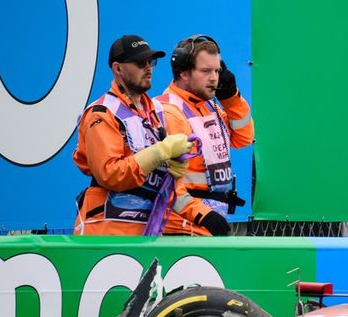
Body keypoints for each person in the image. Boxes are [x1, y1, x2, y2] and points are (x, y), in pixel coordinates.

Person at [73, 35, 219, 235]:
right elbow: (110, 174)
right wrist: (159, 152)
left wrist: (203, 215)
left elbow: (166, 188)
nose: (149, 68)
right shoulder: (102, 113)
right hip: (107, 230)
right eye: (141, 63)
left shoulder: (156, 112)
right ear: (118, 69)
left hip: (146, 232)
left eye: (151, 62)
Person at [153, 35, 254, 236]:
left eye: (217, 70)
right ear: (183, 73)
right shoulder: (168, 110)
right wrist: (202, 215)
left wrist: (232, 99)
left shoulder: (209, 105)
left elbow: (243, 138)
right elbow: (165, 181)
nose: (214, 78)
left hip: (205, 223)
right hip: (179, 228)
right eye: (206, 71)